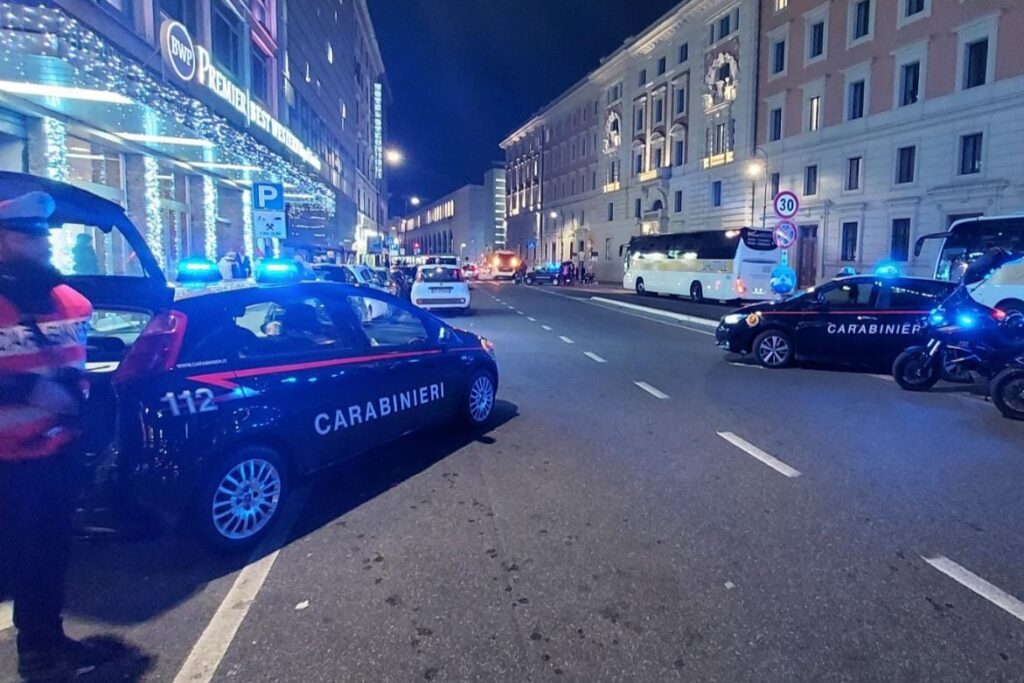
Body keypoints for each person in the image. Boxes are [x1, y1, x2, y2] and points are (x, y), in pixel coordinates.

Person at [0, 191, 118, 679]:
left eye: (44, 235)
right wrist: (29, 388)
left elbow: (79, 365)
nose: (42, 244)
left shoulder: (73, 301)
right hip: (7, 459)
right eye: (29, 236)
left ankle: (43, 646)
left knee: (46, 561)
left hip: (55, 457)